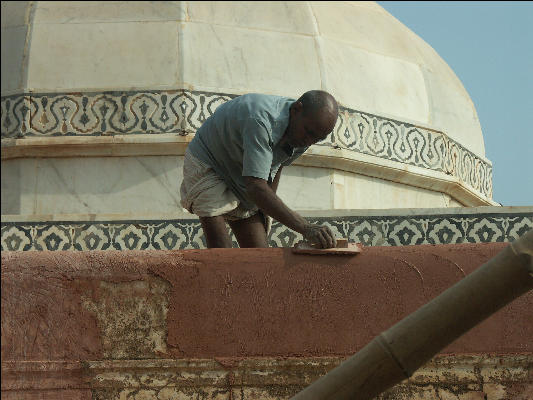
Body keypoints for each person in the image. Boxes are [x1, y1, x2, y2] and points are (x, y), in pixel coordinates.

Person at [180, 90, 338, 249]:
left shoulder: (304, 134)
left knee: (259, 251)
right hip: (209, 162)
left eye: (317, 139)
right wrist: (305, 227)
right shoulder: (261, 120)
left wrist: (264, 208)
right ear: (296, 109)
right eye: (309, 133)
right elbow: (255, 186)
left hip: (243, 175)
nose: (309, 141)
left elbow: (276, 167)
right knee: (222, 252)